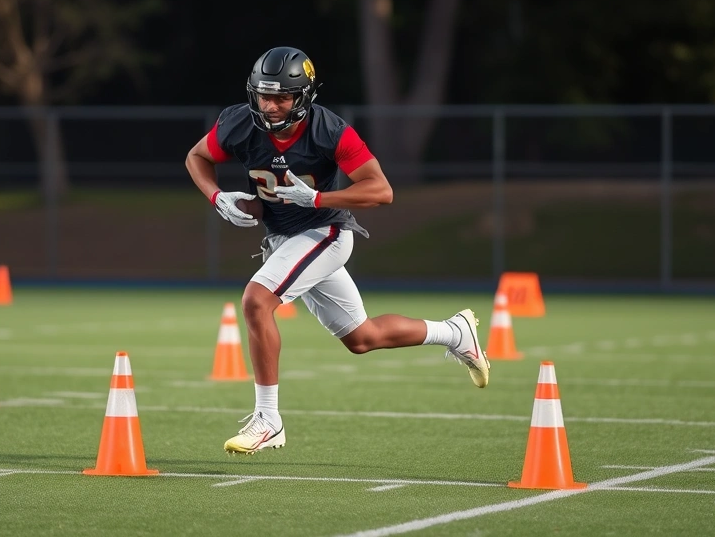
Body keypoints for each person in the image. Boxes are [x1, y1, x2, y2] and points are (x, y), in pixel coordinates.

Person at [185, 46, 489, 454]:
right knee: (362, 338)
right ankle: (454, 332)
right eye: (263, 95)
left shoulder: (329, 130)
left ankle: (268, 419)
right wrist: (216, 196)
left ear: (303, 96)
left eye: (281, 97)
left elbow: (381, 190)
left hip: (324, 232)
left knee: (256, 301)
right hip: (283, 239)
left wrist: (317, 200)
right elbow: (197, 156)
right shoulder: (239, 122)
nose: (270, 106)